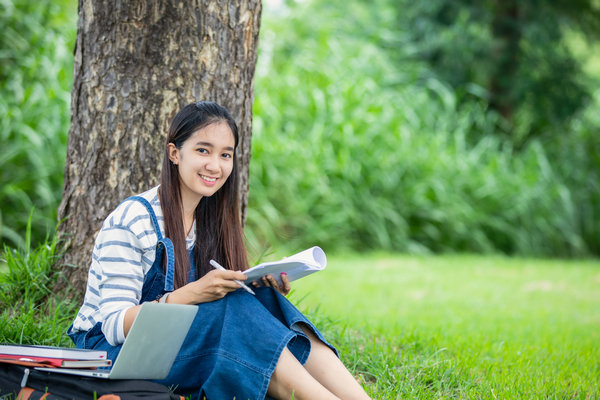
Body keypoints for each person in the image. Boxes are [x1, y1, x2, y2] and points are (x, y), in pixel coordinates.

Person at [68, 101, 371, 400]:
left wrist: (258, 286)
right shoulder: (133, 219)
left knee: (262, 298)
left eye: (225, 154)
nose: (215, 165)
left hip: (173, 344)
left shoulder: (210, 218)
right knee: (231, 309)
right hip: (111, 356)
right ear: (175, 153)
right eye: (203, 150)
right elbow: (113, 326)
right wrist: (194, 293)